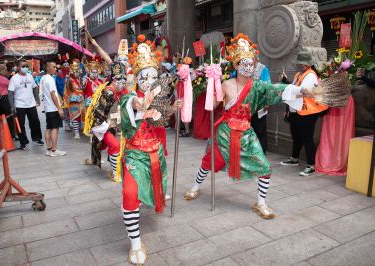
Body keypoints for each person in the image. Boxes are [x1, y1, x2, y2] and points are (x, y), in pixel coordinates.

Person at [183, 33, 305, 219]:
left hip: (247, 134)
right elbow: (212, 106)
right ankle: (195, 186)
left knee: (264, 167)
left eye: (251, 64)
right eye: (244, 64)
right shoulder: (226, 84)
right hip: (225, 133)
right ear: (236, 65)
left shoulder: (257, 86)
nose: (248, 67)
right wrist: (211, 85)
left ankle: (261, 202)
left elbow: (274, 89)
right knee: (209, 161)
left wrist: (300, 91)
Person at [119, 37, 182, 265]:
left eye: (153, 77)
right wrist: (148, 100)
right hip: (135, 154)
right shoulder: (129, 97)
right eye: (145, 77)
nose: (150, 81)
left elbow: (159, 117)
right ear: (136, 78)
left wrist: (172, 108)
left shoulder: (158, 97)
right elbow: (138, 105)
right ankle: (135, 243)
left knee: (151, 191)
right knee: (129, 194)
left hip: (155, 153)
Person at [279, 51, 328, 176]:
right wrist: (286, 82)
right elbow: (295, 87)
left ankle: (311, 165)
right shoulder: (300, 74)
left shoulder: (310, 75)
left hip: (307, 112)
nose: (300, 65)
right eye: (300, 63)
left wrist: (286, 92)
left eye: (302, 63)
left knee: (307, 139)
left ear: (307, 64)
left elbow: (303, 92)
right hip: (297, 110)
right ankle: (294, 159)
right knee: (296, 137)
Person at [84, 63, 124, 182]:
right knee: (115, 145)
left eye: (124, 81)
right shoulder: (108, 92)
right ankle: (115, 173)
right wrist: (103, 126)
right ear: (114, 80)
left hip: (109, 125)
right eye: (121, 81)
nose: (122, 84)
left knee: (102, 146)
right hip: (102, 126)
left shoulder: (113, 91)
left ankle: (93, 159)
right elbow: (99, 112)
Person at [8, 60, 44, 150]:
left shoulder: (30, 76)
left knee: (35, 122)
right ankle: (23, 142)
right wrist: (12, 106)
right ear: (18, 67)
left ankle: (37, 138)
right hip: (19, 104)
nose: (25, 68)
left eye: (26, 66)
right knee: (20, 124)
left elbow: (34, 87)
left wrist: (37, 99)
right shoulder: (14, 78)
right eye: (23, 66)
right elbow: (10, 93)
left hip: (31, 103)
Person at [40, 62, 67, 157]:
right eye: (53, 67)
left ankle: (49, 149)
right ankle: (54, 150)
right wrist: (59, 108)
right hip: (53, 108)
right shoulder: (50, 79)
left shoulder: (43, 78)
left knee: (48, 128)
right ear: (48, 68)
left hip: (48, 108)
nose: (56, 68)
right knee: (55, 129)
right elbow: (52, 94)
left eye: (56, 67)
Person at [251, 62, 271, 153]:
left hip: (260, 103)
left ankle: (262, 150)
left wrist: (267, 102)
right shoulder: (245, 68)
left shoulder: (263, 68)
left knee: (260, 128)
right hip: (249, 103)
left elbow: (268, 86)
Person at [63, 60, 85, 139]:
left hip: (81, 101)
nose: (76, 73)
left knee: (81, 117)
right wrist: (75, 97)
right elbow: (68, 91)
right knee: (75, 117)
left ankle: (79, 130)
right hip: (74, 101)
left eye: (77, 72)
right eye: (75, 72)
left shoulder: (80, 80)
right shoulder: (69, 81)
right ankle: (76, 133)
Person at [0, 64, 16, 138]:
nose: (6, 71)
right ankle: (12, 134)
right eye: (5, 70)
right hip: (6, 98)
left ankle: (5, 132)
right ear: (1, 70)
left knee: (3, 117)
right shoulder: (3, 79)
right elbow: (11, 88)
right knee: (10, 116)